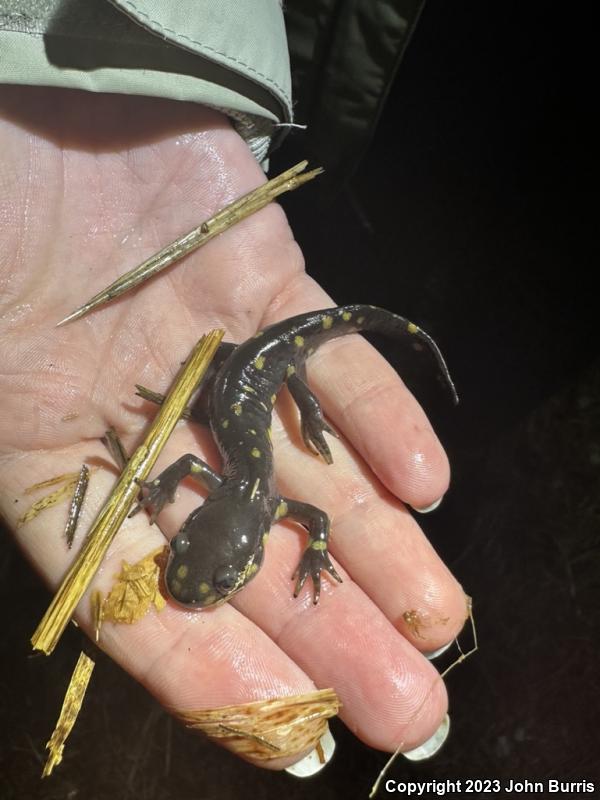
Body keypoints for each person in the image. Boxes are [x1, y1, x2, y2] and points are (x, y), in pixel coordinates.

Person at [0, 1, 466, 775]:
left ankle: (318, 387)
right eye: (208, 561)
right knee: (284, 387)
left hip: (260, 363)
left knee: (298, 381)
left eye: (194, 554)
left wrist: (158, 489)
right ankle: (302, 392)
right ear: (232, 536)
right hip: (248, 369)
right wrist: (311, 544)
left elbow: (189, 472)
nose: (200, 568)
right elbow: (308, 512)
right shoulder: (263, 501)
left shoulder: (239, 492)